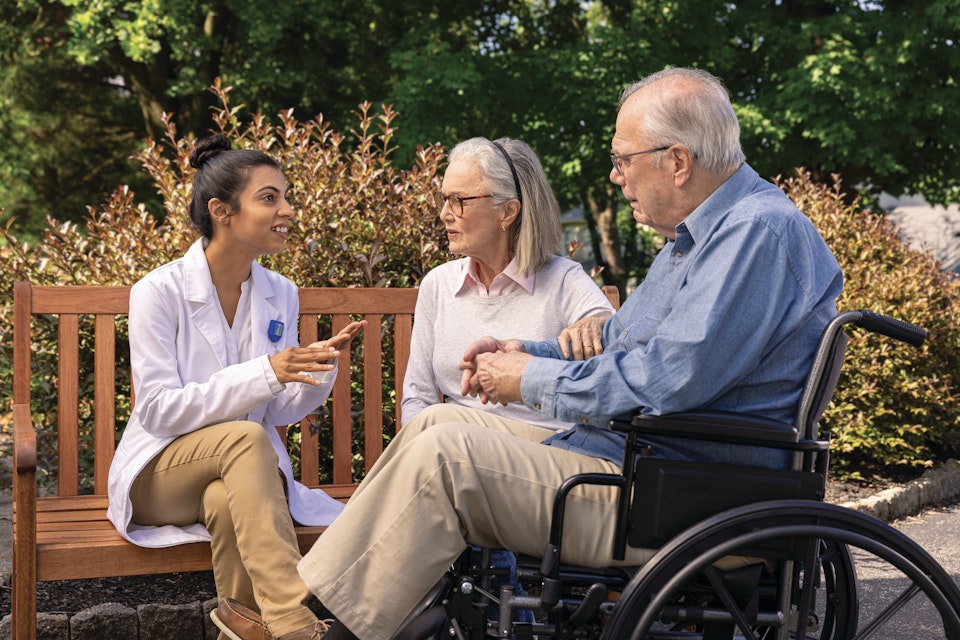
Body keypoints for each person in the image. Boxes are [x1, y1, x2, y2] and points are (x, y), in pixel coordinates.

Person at [296, 67, 844, 640]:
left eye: (624, 159)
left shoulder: (755, 234)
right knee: (439, 418)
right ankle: (314, 614)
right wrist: (522, 352)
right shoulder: (698, 239)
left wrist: (530, 380)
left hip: (682, 492)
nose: (615, 176)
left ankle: (319, 626)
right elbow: (619, 342)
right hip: (644, 461)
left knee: (446, 455)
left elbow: (669, 378)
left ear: (677, 161)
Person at [106, 134, 365, 640]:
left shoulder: (279, 292)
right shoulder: (158, 292)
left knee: (228, 500)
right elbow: (158, 412)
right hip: (159, 474)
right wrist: (267, 371)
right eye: (269, 198)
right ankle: (294, 620)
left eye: (286, 197)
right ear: (221, 210)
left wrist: (317, 368)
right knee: (246, 441)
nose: (287, 209)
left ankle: (243, 623)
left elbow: (281, 411)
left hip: (236, 473)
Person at [401, 135, 614, 430]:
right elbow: (417, 399)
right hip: (452, 450)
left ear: (508, 212)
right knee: (434, 423)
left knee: (440, 424)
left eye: (459, 201)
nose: (444, 214)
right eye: (444, 199)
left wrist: (596, 323)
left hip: (542, 450)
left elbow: (612, 334)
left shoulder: (563, 279)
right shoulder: (437, 285)